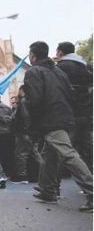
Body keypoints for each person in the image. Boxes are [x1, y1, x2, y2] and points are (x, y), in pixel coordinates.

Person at [25, 41, 92, 212]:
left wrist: (33, 125)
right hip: (67, 116)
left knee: (67, 154)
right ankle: (48, 191)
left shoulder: (34, 71)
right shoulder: (58, 71)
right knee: (50, 154)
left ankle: (91, 190)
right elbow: (70, 94)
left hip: (51, 119)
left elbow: (34, 100)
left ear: (33, 55)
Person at [56, 42, 93, 171]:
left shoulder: (60, 68)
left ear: (60, 52)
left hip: (69, 114)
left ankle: (54, 182)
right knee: (87, 149)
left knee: (65, 150)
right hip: (87, 114)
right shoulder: (86, 66)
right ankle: (90, 178)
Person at [11, 86, 42, 184]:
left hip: (24, 132)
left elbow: (24, 117)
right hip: (34, 131)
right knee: (35, 152)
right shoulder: (33, 100)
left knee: (21, 153)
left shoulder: (23, 101)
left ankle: (22, 176)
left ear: (22, 91)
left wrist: (24, 130)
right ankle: (46, 172)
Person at [0, 94, 15, 179]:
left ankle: (3, 173)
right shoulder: (7, 107)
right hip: (9, 132)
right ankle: (10, 172)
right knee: (9, 153)